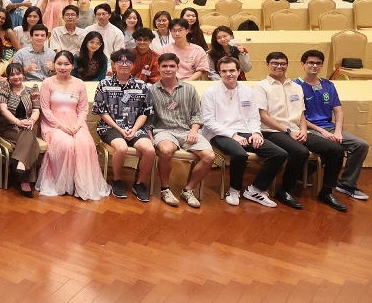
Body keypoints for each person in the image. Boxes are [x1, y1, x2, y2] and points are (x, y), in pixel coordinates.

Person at [253, 52, 343, 211]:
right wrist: (288, 131)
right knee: (301, 152)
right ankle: (285, 190)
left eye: (283, 63)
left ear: (287, 65)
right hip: (272, 131)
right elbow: (263, 116)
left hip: (296, 130)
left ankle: (326, 191)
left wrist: (303, 130)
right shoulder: (260, 87)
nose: (279, 66)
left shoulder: (296, 87)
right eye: (275, 63)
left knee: (336, 150)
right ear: (267, 65)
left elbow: (301, 113)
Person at [201, 56, 286, 207]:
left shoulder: (248, 91)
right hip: (218, 133)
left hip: (245, 131)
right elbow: (208, 122)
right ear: (219, 73)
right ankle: (234, 190)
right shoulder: (211, 93)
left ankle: (255, 190)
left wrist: (256, 133)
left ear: (238, 71)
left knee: (279, 153)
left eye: (232, 70)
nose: (229, 74)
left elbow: (254, 116)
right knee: (240, 154)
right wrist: (233, 135)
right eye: (224, 71)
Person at [296, 49, 369, 202]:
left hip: (330, 127)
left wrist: (338, 132)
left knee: (361, 145)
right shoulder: (296, 86)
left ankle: (347, 184)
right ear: (303, 64)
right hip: (308, 128)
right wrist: (324, 132)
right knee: (332, 147)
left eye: (318, 63)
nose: (314, 66)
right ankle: (303, 173)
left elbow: (338, 111)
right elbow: (298, 116)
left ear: (322, 65)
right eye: (311, 62)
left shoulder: (328, 85)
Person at [36, 51, 109, 200]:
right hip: (53, 124)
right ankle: (64, 183)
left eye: (66, 64)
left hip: (75, 122)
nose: (63, 67)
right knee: (66, 144)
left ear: (73, 65)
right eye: (59, 64)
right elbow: (45, 109)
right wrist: (60, 126)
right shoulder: (47, 83)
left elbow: (83, 109)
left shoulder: (79, 83)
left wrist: (78, 125)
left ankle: (81, 183)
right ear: (54, 65)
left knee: (86, 144)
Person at [146, 53, 215, 208]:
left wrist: (194, 131)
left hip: (187, 131)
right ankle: (165, 189)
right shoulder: (151, 90)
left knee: (209, 156)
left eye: (172, 66)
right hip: (163, 130)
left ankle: (188, 190)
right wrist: (150, 136)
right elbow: (148, 117)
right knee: (165, 150)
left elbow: (197, 114)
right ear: (158, 68)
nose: (168, 69)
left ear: (178, 67)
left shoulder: (189, 89)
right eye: (164, 66)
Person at [93, 49, 155, 202]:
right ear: (114, 64)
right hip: (109, 127)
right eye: (120, 61)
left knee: (150, 150)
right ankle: (116, 180)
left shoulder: (142, 85)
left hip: (135, 127)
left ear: (133, 65)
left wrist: (134, 129)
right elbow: (101, 111)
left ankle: (139, 183)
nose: (124, 64)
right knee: (121, 148)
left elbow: (145, 112)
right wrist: (120, 129)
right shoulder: (104, 84)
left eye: (128, 61)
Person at [0, 63, 40, 197]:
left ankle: (21, 164)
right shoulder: (4, 90)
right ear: (8, 77)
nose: (16, 77)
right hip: (9, 126)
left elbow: (36, 110)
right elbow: (3, 110)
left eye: (18, 73)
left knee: (28, 131)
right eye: (12, 74)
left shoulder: (32, 90)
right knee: (32, 142)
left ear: (23, 75)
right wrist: (18, 122)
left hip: (29, 125)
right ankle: (25, 181)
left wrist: (31, 121)